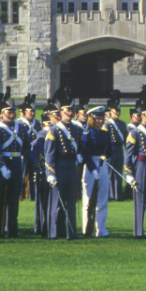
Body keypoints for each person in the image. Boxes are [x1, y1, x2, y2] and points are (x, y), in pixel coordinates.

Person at [0, 102, 27, 237]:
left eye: (13, 112)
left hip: (16, 164)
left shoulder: (21, 128)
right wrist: (2, 167)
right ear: (2, 113)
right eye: (8, 112)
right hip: (2, 165)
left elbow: (26, 147)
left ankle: (13, 229)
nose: (11, 115)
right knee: (0, 198)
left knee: (14, 197)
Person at [45, 103, 83, 240]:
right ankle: (54, 232)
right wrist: (50, 173)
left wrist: (79, 155)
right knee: (57, 202)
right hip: (60, 167)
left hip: (72, 166)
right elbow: (49, 153)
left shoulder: (77, 129)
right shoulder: (54, 130)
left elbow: (80, 147)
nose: (70, 112)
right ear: (61, 112)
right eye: (68, 110)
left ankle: (71, 232)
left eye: (72, 110)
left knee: (71, 201)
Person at [124, 105, 146, 239]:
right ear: (142, 115)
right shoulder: (135, 132)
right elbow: (128, 155)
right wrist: (129, 173)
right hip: (141, 166)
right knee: (140, 199)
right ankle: (138, 231)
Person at [80, 106, 112, 237]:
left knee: (102, 199)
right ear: (92, 119)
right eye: (97, 118)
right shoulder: (87, 133)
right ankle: (88, 228)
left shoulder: (104, 133)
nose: (100, 120)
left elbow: (110, 150)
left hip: (103, 164)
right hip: (90, 165)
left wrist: (106, 158)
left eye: (102, 118)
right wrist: (92, 169)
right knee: (89, 199)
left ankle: (101, 229)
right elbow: (85, 153)